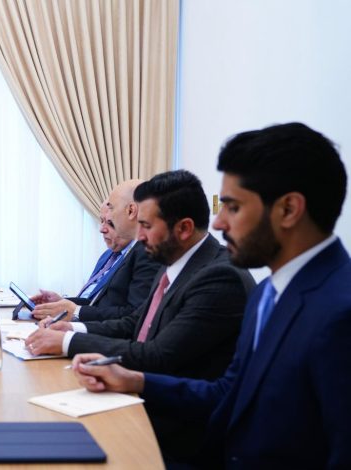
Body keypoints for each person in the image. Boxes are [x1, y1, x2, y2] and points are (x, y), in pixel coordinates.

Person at [72, 123, 351, 468]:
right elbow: (228, 392)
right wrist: (135, 380)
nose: (218, 224)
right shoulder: (268, 293)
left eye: (232, 207)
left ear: (289, 209)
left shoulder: (341, 312)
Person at [26, 170, 255, 462]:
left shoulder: (220, 277)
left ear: (184, 228)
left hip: (177, 430)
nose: (140, 235)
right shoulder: (173, 257)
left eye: (146, 225)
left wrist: (66, 343)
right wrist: (72, 330)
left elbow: (158, 355)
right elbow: (135, 323)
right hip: (142, 401)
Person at [30, 180, 159, 322]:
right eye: (102, 220)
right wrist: (61, 304)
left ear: (131, 211)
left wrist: (74, 316)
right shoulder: (111, 254)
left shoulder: (146, 252)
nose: (102, 228)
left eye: (111, 212)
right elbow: (96, 302)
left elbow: (133, 317)